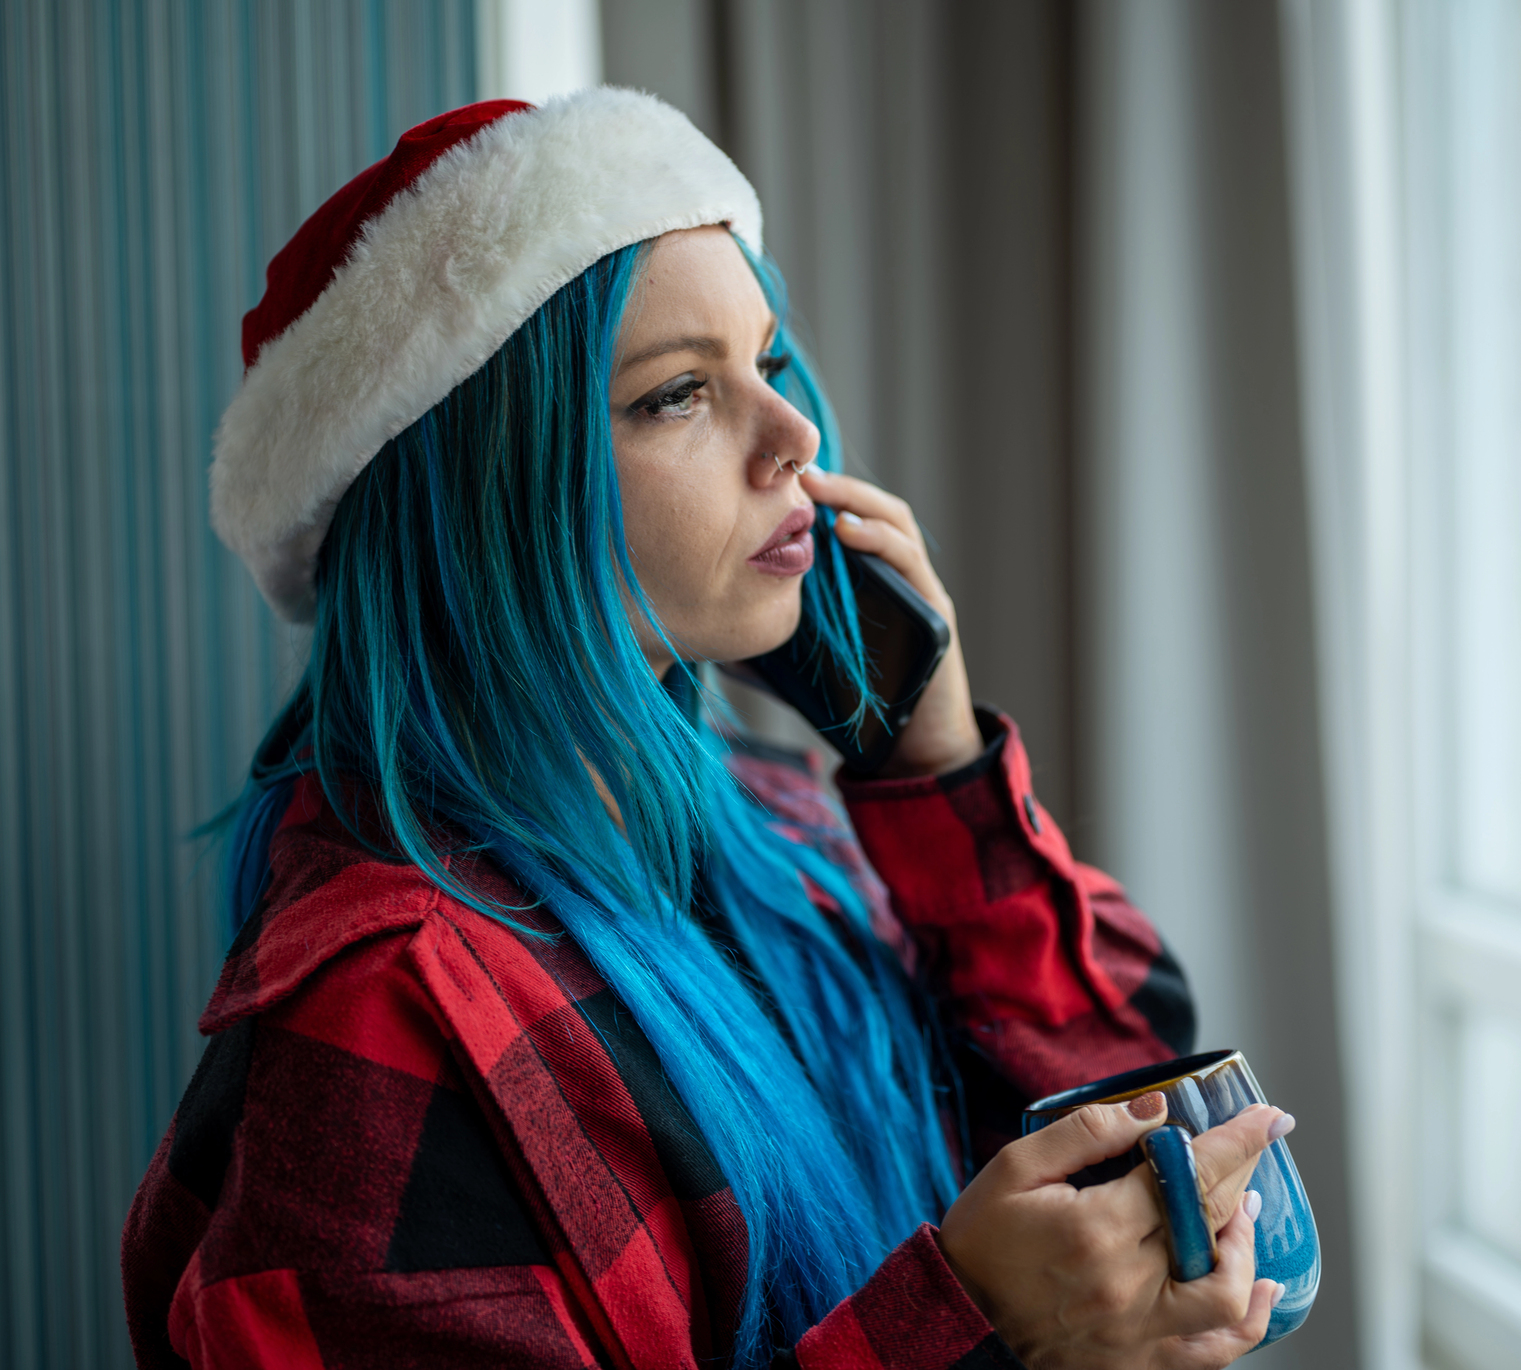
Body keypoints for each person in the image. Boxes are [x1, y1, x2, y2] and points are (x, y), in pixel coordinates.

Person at [122, 91, 1292, 1370]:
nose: (791, 435)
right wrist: (972, 1330)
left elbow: (1146, 1131)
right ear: (484, 494)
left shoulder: (784, 825)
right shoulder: (388, 1009)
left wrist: (932, 765)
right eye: (678, 393)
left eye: (768, 362)